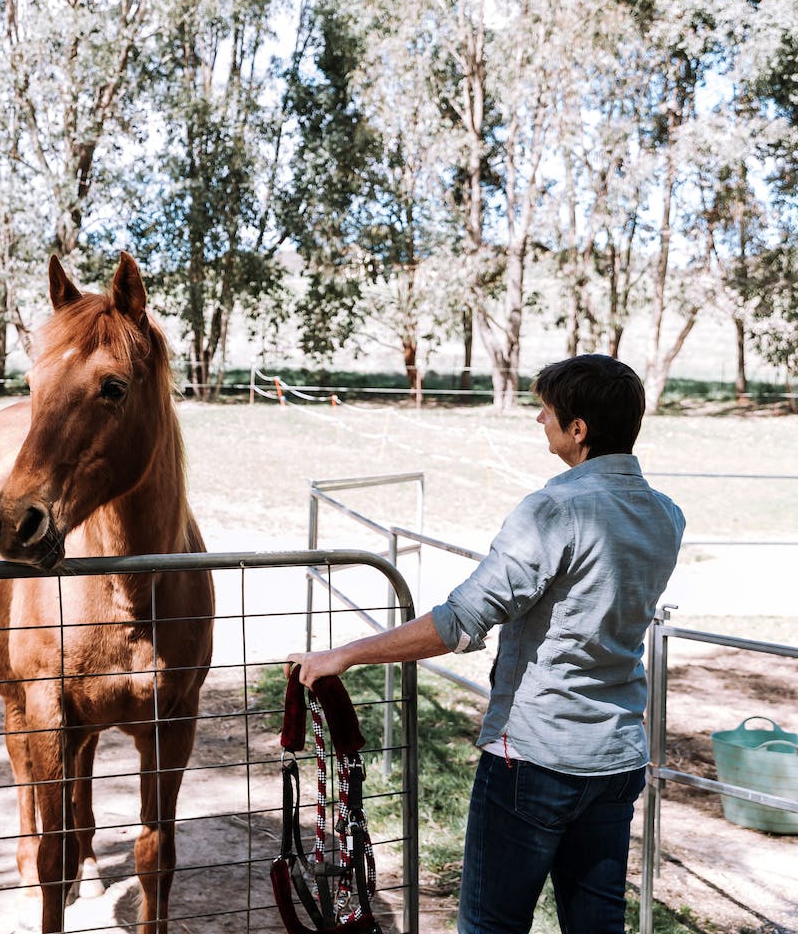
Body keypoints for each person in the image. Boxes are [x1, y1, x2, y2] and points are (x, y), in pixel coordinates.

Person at [286, 354, 685, 934]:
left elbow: (461, 621)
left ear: (580, 430)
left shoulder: (554, 509)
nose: (539, 421)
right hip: (616, 757)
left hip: (535, 758)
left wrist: (341, 654)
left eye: (547, 412)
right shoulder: (666, 515)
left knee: (490, 925)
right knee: (598, 923)